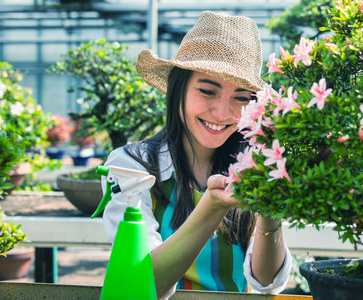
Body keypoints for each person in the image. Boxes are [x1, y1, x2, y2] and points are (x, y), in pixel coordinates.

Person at [102, 11, 292, 300]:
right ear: (178, 90)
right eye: (207, 91)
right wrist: (212, 206)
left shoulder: (255, 165)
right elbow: (141, 283)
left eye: (241, 98)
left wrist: (270, 211)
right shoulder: (131, 167)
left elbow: (267, 283)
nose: (222, 113)